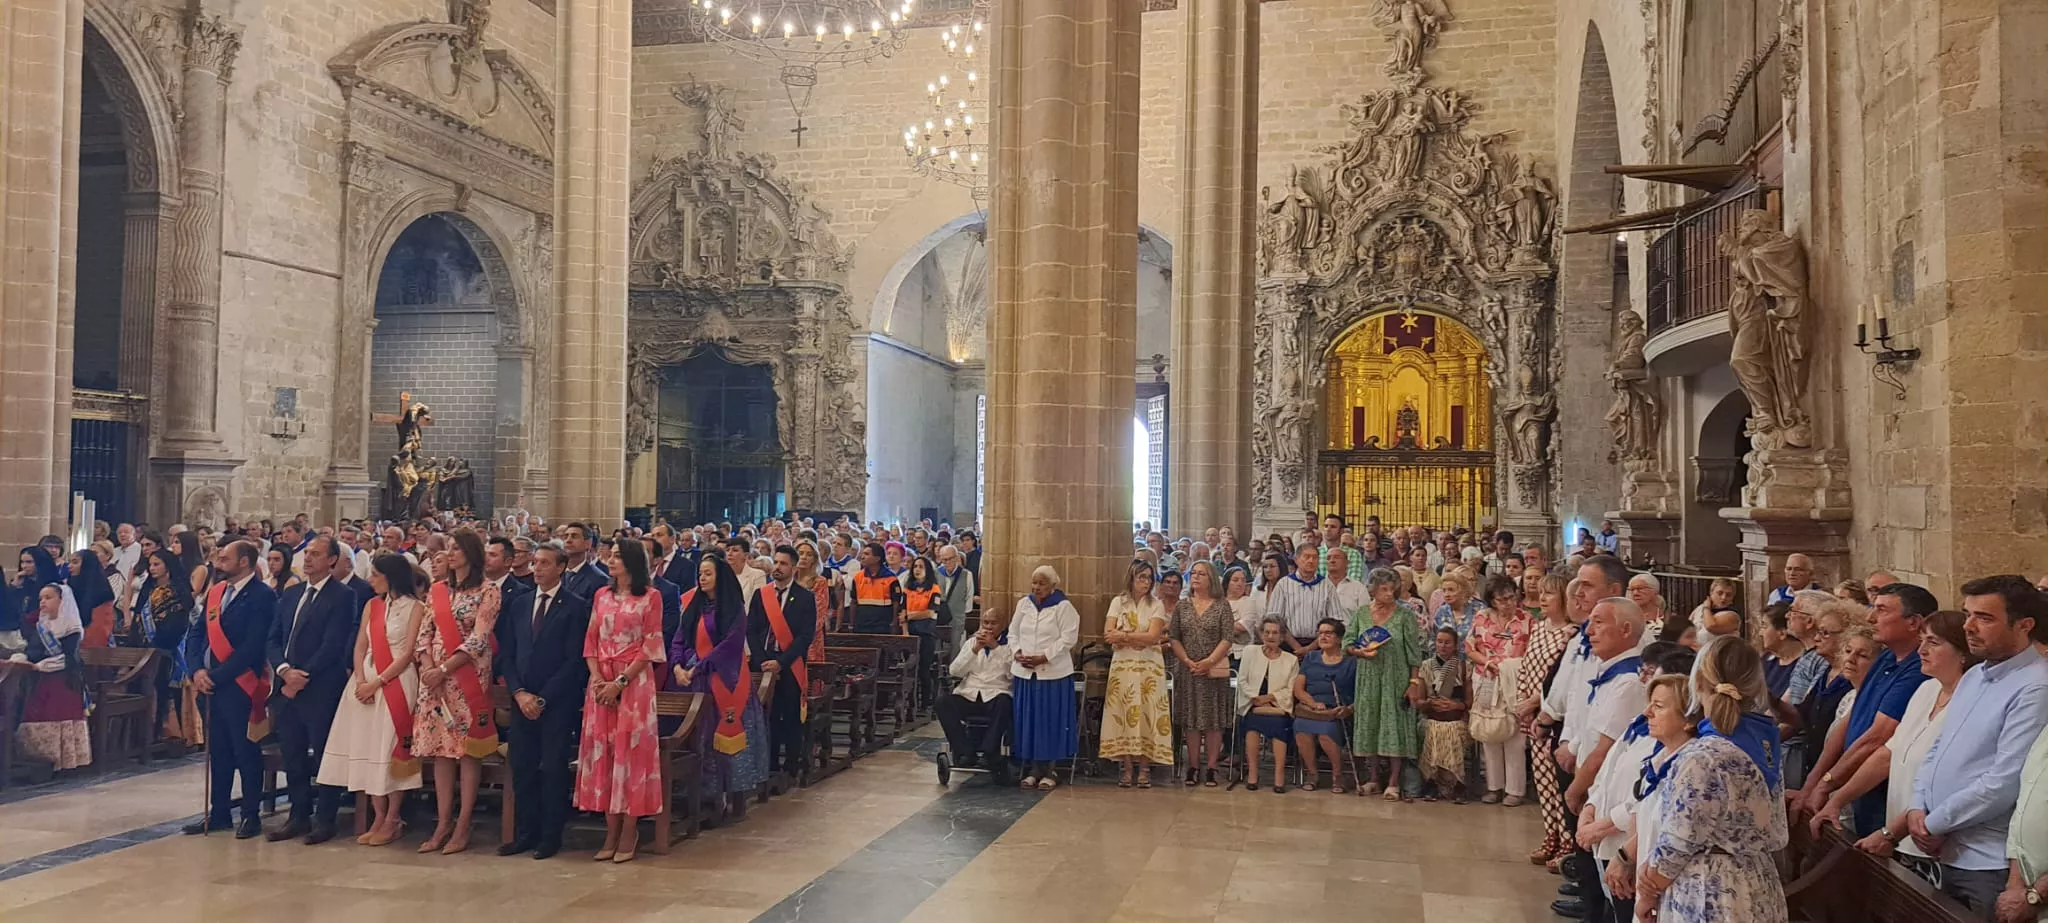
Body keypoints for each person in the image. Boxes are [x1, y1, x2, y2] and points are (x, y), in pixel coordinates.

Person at [1899, 577, 2048, 915]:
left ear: (2024, 625)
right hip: (1946, 848)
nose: (1968, 626)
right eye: (1968, 614)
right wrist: (1917, 806)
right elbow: (1938, 748)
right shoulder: (1974, 675)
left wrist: (1933, 824)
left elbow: (2004, 781)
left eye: (1984, 618)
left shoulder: (2036, 686)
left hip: (1986, 859)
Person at [1634, 641, 1787, 923]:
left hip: (1709, 888)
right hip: (1756, 882)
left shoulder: (1702, 755)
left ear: (1699, 682)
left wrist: (1648, 890)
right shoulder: (1765, 744)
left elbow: (1678, 841)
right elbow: (1777, 830)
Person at [1800, 581, 1936, 836]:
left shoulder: (1918, 670)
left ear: (1914, 622)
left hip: (1883, 798)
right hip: (1855, 791)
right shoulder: (1887, 657)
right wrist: (1814, 782)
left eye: (1882, 610)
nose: (1871, 617)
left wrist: (1827, 785)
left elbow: (1878, 737)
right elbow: (1853, 717)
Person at [1848, 611, 1973, 880]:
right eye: (1922, 640)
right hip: (1900, 837)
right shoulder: (1926, 690)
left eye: (1933, 642)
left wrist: (1890, 833)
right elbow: (1888, 753)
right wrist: (1835, 798)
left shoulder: (1970, 702)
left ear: (1963, 653)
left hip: (1936, 843)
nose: (1921, 650)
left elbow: (1949, 780)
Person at [317, 554, 427, 847]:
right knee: (366, 746)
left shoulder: (416, 607)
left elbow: (408, 653)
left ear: (391, 577)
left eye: (376, 575)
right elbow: (360, 646)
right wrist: (361, 681)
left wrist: (378, 682)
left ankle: (393, 817)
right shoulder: (372, 605)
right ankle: (377, 816)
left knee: (388, 747)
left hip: (395, 682)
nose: (371, 580)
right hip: (364, 682)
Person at [495, 542, 591, 860]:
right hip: (522, 700)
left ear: (561, 567)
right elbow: (508, 653)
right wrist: (519, 693)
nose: (537, 568)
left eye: (545, 563)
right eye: (535, 562)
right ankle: (526, 833)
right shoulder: (520, 603)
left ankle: (550, 836)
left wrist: (542, 698)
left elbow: (574, 661)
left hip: (556, 703)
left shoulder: (575, 606)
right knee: (522, 767)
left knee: (552, 769)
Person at [410, 529, 502, 855]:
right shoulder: (438, 590)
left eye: (457, 548)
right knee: (440, 751)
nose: (450, 553)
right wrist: (427, 668)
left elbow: (479, 638)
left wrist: (444, 669)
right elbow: (424, 634)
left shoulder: (488, 591)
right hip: (434, 681)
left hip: (466, 678)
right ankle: (443, 822)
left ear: (472, 554)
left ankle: (463, 824)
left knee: (466, 751)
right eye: (448, 548)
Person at [1561, 592, 1651, 922]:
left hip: (1613, 808)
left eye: (1599, 623)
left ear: (1626, 630)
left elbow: (1604, 751)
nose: (1589, 630)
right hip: (1597, 793)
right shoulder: (1609, 671)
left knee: (1613, 900)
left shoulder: (1629, 682)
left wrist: (1576, 790)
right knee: (1599, 884)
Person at [262, 536, 357, 844]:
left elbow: (333, 644)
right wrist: (284, 671)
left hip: (320, 687)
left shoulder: (343, 596)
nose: (308, 559)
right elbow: (273, 638)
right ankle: (298, 815)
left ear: (332, 560)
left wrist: (303, 676)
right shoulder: (292, 594)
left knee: (323, 754)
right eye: (307, 554)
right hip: (287, 685)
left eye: (316, 554)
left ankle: (325, 819)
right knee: (293, 754)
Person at [183, 541, 278, 839]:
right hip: (209, 685)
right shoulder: (216, 592)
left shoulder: (262, 595)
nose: (218, 563)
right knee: (219, 751)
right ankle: (220, 812)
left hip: (240, 685)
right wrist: (197, 670)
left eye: (225, 559)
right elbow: (196, 634)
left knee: (245, 750)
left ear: (245, 562)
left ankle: (250, 814)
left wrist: (217, 676)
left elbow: (254, 645)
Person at [579, 538, 665, 862]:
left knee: (631, 754)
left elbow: (651, 645)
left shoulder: (651, 597)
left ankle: (630, 829)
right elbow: (590, 640)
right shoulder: (601, 595)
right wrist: (597, 678)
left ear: (631, 561)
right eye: (610, 555)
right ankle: (610, 830)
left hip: (633, 684)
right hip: (601, 681)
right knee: (605, 752)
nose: (611, 560)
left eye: (617, 556)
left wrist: (620, 682)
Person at [674, 555, 768, 821]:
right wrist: (677, 666)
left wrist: (698, 667)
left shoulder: (733, 608)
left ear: (720, 577)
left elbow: (730, 645)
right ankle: (703, 797)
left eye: (708, 574)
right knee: (700, 740)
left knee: (727, 739)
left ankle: (732, 798)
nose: (702, 578)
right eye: (700, 574)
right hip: (695, 682)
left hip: (726, 680)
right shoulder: (693, 605)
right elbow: (679, 640)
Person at [1624, 675, 1698, 921]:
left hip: (1671, 892)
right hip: (1649, 885)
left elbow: (1679, 840)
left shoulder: (1693, 769)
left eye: (1658, 706)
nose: (1647, 713)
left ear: (1688, 720)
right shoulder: (1660, 760)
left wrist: (1650, 892)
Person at [1346, 567, 1422, 800]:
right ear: (1372, 590)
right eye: (1384, 589)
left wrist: (1413, 682)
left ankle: (1394, 782)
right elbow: (1348, 643)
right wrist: (1359, 652)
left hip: (1395, 679)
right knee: (1370, 723)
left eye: (1392, 589)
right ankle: (1373, 779)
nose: (1389, 593)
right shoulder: (1361, 614)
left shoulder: (1405, 616)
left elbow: (1414, 653)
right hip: (1368, 677)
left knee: (1393, 726)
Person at [1521, 573, 1579, 864]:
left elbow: (1558, 679)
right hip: (1533, 715)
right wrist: (1523, 702)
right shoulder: (1538, 628)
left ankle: (1567, 843)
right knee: (1542, 779)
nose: (1542, 598)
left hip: (1554, 715)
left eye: (1550, 593)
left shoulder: (1571, 634)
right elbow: (1527, 666)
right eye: (1541, 593)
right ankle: (1551, 835)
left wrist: (1536, 702)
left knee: (1558, 782)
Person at [747, 545, 818, 782]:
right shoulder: (761, 595)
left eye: (783, 563)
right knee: (766, 716)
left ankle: (791, 766)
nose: (777, 567)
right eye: (776, 562)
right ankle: (768, 764)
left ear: (794, 567)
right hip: (762, 664)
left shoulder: (805, 598)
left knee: (790, 717)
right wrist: (761, 660)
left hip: (789, 666)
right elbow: (751, 630)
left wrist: (781, 662)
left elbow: (805, 637)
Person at [1101, 561, 1173, 787]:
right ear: (1131, 578)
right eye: (1141, 577)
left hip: (1149, 667)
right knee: (1123, 711)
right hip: (1123, 666)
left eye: (1150, 578)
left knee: (1147, 712)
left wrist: (1124, 636)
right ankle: (1127, 766)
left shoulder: (1156, 604)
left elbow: (1153, 636)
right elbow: (1108, 633)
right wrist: (1134, 637)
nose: (1146, 582)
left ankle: (1144, 767)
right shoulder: (1118, 602)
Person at [1010, 565, 1080, 791]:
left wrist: (1044, 657)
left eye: (1042, 583)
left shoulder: (1063, 607)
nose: (1037, 587)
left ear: (1052, 586)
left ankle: (1050, 770)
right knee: (1030, 721)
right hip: (1026, 673)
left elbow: (1068, 638)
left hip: (1053, 674)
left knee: (1049, 721)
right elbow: (1012, 632)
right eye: (1034, 582)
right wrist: (1017, 652)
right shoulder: (1024, 604)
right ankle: (1033, 769)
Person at [1169, 559, 1234, 788]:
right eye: (1193, 573)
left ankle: (1212, 767)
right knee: (1191, 719)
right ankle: (1194, 766)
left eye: (1201, 574)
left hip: (1213, 670)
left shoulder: (1222, 605)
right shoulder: (1182, 605)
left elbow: (1227, 637)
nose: (1196, 577)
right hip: (1188, 670)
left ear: (1211, 579)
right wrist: (1187, 660)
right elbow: (1174, 637)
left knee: (1213, 720)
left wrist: (1209, 661)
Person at [1469, 574, 1532, 806]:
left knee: (1515, 736)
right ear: (1492, 600)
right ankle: (1494, 787)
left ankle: (1515, 790)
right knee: (1489, 732)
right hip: (1486, 678)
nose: (1508, 603)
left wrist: (1509, 667)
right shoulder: (1481, 617)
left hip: (1515, 680)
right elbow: (1470, 648)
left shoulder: (1527, 620)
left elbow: (1532, 652)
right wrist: (1488, 662)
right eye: (1502, 599)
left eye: (1512, 597)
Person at [14, 584, 91, 770]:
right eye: (41, 598)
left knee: (55, 705)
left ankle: (61, 760)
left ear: (62, 601)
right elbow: (33, 650)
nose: (43, 602)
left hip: (65, 678)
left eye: (48, 598)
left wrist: (42, 666)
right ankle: (35, 760)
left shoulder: (71, 627)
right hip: (38, 678)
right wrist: (24, 659)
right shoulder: (41, 625)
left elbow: (69, 658)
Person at [938, 607, 1013, 783]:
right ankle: (965, 751)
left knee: (1005, 704)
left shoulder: (1010, 645)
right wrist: (975, 650)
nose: (988, 627)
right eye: (985, 623)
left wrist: (996, 648)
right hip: (970, 694)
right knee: (943, 703)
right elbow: (955, 671)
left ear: (1003, 625)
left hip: (996, 693)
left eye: (993, 623)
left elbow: (1013, 674)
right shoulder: (971, 643)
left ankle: (989, 751)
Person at [1291, 617, 1357, 793]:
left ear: (1340, 638)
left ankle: (1338, 775)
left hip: (1337, 712)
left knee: (1326, 732)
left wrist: (1349, 709)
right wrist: (1312, 703)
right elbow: (1298, 689)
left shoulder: (1351, 662)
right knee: (1301, 727)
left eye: (1328, 633)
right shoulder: (1311, 657)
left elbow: (1360, 693)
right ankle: (1312, 774)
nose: (1323, 637)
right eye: (1320, 633)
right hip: (1312, 710)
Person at [1238, 616, 1298, 792]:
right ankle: (1253, 774)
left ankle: (1279, 776)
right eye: (1267, 632)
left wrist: (1270, 697)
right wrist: (1255, 697)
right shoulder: (1250, 652)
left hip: (1277, 707)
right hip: (1253, 704)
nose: (1270, 636)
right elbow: (1242, 680)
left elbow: (1290, 689)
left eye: (1275, 633)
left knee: (1279, 726)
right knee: (1252, 725)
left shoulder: (1291, 660)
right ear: (1261, 634)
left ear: (1282, 636)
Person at [1415, 626, 1472, 803]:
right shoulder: (1426, 666)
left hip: (1456, 718)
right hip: (1432, 717)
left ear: (1455, 646)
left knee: (1452, 731)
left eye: (1447, 643)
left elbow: (1470, 701)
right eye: (1439, 642)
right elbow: (1418, 701)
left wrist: (1456, 705)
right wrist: (1430, 703)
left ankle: (1457, 783)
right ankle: (1431, 781)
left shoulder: (1464, 667)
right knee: (1434, 730)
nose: (1443, 646)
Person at [1271, 546, 1337, 653]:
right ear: (1296, 560)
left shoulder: (1327, 585)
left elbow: (1334, 621)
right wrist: (1296, 647)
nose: (1311, 561)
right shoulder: (1284, 584)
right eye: (1307, 557)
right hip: (1287, 644)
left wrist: (1310, 648)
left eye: (1315, 557)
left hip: (1319, 645)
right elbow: (1275, 619)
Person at [899, 555, 943, 705]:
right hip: (911, 633)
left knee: (924, 668)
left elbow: (930, 612)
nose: (917, 569)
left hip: (926, 633)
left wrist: (910, 616)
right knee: (910, 669)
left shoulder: (934, 589)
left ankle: (925, 701)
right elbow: (902, 613)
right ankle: (911, 701)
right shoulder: (908, 589)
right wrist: (905, 632)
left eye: (921, 567)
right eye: (915, 567)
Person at [67, 548, 116, 649]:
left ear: (87, 565)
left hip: (93, 646)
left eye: (75, 562)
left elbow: (100, 629)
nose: (69, 566)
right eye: (70, 562)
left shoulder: (101, 591)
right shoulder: (71, 585)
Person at [849, 541, 900, 634]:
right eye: (863, 553)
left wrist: (894, 623)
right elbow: (853, 602)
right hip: (861, 625)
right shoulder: (858, 577)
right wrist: (852, 624)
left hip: (882, 626)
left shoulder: (891, 578)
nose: (862, 557)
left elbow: (896, 603)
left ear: (877, 558)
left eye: (867, 554)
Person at [1433, 571, 1481, 656]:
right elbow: (1433, 640)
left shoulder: (1479, 610)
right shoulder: (1441, 612)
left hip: (1473, 661)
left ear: (1463, 591)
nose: (1447, 594)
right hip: (1447, 662)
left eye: (1451, 590)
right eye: (1444, 590)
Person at [1626, 573, 1667, 638]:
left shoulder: (1668, 618)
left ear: (1655, 591)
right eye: (1632, 590)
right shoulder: (1625, 619)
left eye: (1640, 589)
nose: (1635, 593)